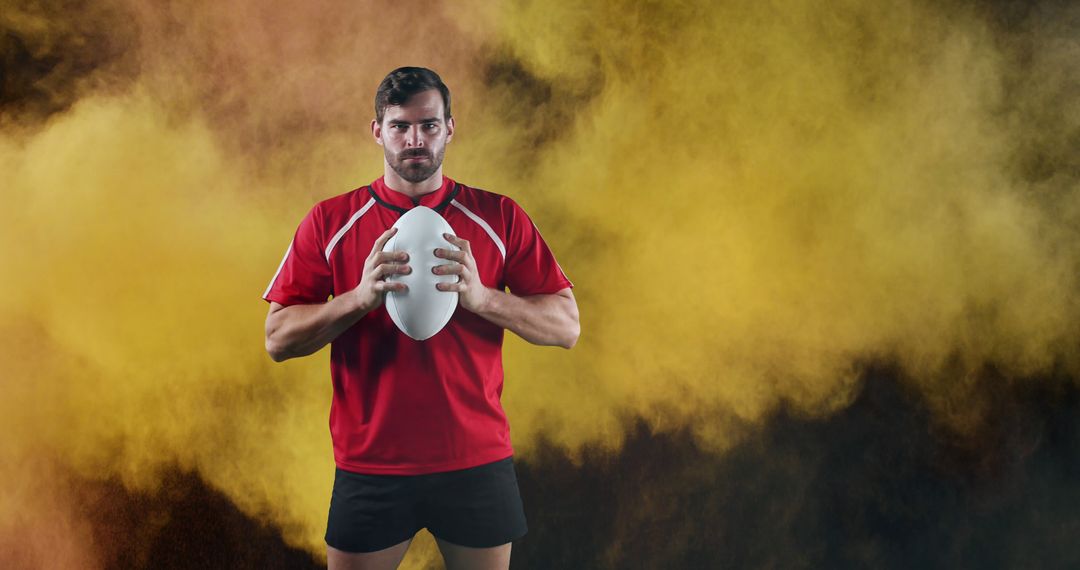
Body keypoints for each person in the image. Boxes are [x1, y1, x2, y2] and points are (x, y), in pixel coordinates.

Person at [262, 66, 580, 570]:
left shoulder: (497, 216)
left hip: (475, 460)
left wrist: (483, 299)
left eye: (429, 125)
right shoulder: (330, 221)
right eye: (400, 126)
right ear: (377, 131)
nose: (416, 139)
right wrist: (359, 299)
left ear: (450, 127)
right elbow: (277, 339)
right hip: (371, 466)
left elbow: (566, 327)